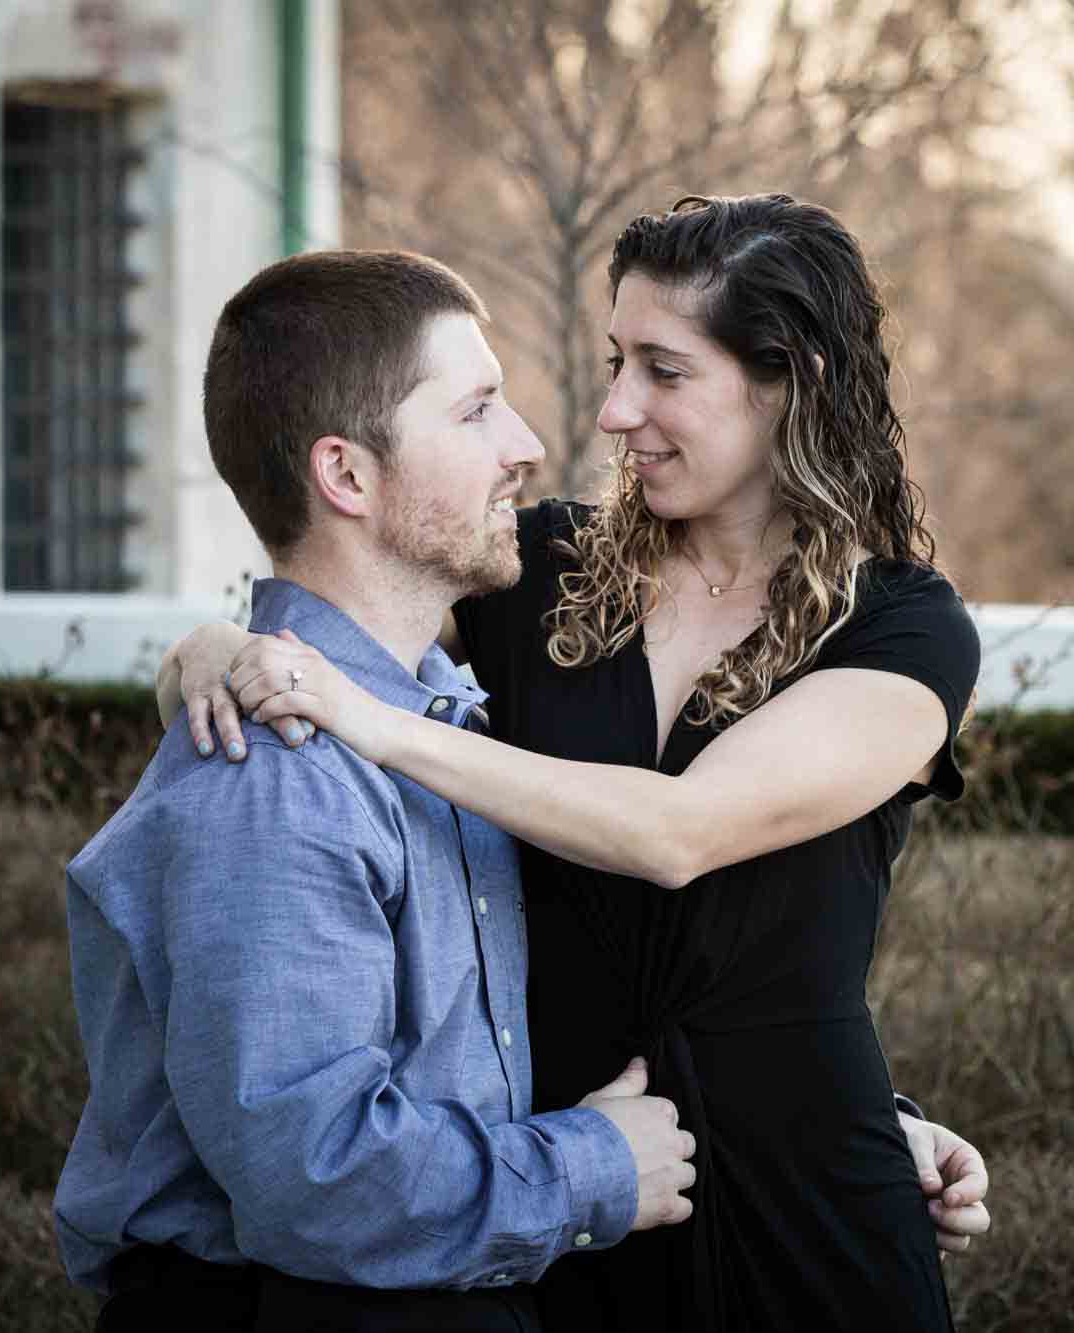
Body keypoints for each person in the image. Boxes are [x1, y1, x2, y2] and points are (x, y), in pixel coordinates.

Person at [164, 194, 989, 1330]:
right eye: (615, 361)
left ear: (785, 379)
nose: (613, 410)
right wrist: (210, 650)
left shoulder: (904, 632)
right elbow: (344, 614)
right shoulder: (540, 567)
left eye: (663, 370)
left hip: (812, 1202)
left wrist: (368, 718)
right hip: (576, 1186)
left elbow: (677, 834)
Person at [54, 250, 701, 1332]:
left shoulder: (449, 730)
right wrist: (587, 1169)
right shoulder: (276, 773)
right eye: (477, 410)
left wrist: (840, 1130)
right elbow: (319, 1178)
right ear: (347, 476)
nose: (527, 446)